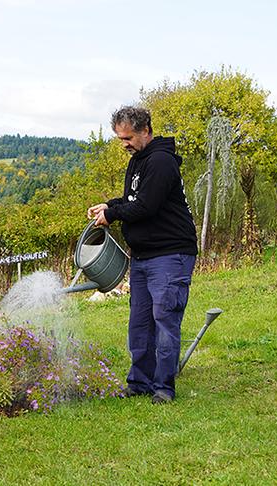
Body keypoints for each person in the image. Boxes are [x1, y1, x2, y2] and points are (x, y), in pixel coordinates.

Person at [87, 106, 198, 404]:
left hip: (170, 253)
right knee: (140, 323)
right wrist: (109, 205)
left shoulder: (161, 161)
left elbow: (146, 206)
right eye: (120, 139)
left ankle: (163, 388)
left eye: (128, 138)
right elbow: (132, 199)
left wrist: (112, 215)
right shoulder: (138, 160)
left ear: (145, 130)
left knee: (164, 320)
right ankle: (139, 382)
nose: (124, 144)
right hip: (143, 255)